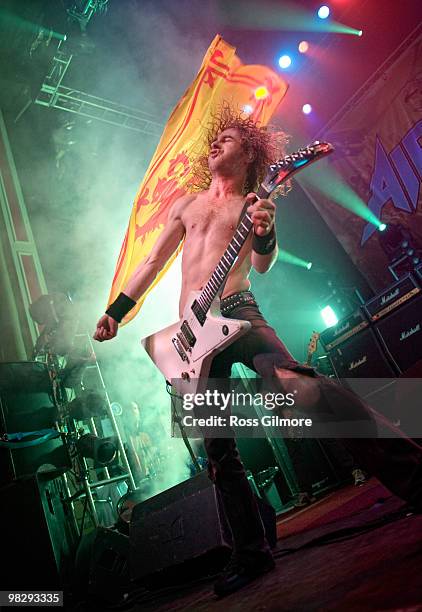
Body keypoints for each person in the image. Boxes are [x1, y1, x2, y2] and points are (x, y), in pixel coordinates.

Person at [94, 106, 422, 597]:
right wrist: (116, 311)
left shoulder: (254, 202)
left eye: (225, 139)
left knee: (298, 387)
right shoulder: (184, 205)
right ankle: (251, 553)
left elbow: (263, 265)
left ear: (249, 152)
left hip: (240, 313)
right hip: (191, 335)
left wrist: (265, 230)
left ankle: (413, 475)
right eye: (214, 139)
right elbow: (150, 263)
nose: (214, 145)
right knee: (218, 450)